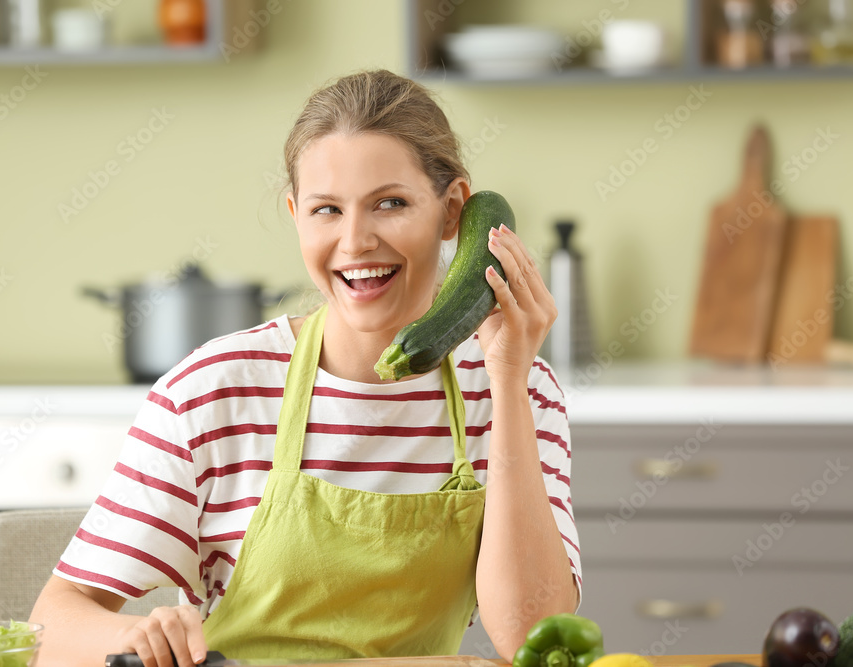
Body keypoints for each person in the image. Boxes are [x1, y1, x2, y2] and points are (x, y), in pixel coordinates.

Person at [30, 68, 581, 667]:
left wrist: (507, 383)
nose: (355, 241)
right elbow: (51, 623)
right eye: (326, 210)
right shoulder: (214, 392)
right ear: (295, 214)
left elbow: (532, 638)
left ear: (453, 212)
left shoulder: (518, 388)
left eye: (390, 204)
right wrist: (130, 639)